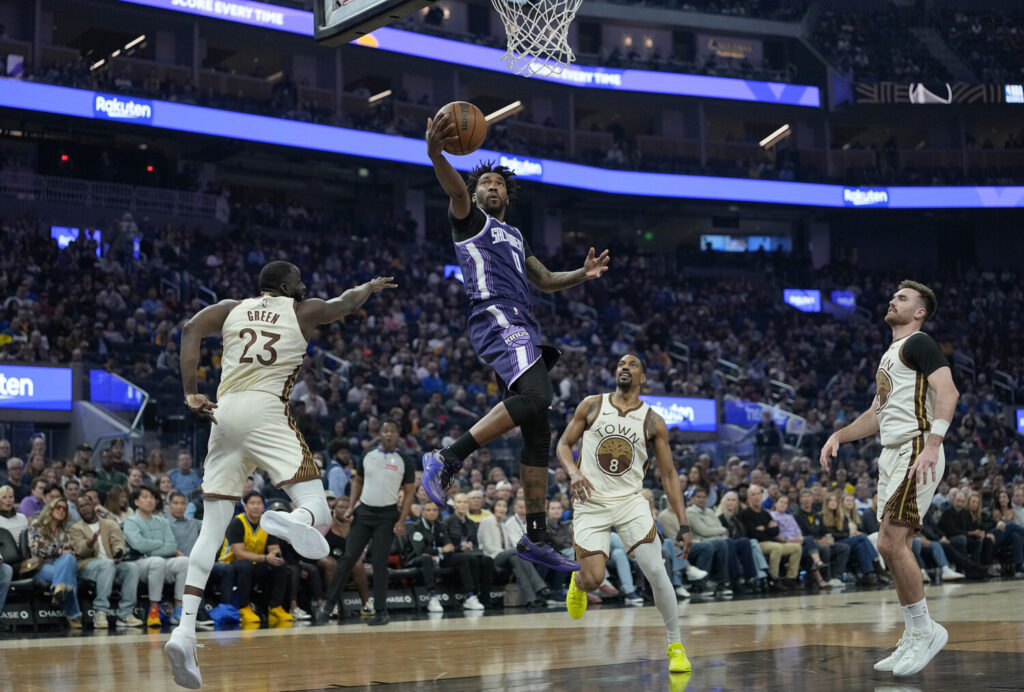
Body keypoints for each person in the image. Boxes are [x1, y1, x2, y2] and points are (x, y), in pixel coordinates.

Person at [166, 260, 396, 687]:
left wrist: (190, 393)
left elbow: (190, 329)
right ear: (288, 285)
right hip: (266, 409)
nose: (305, 284)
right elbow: (345, 304)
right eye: (300, 280)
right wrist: (368, 286)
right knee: (319, 510)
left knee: (211, 528)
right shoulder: (301, 309)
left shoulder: (233, 307)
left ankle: (183, 630)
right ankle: (292, 520)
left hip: (223, 411)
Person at [421, 118, 610, 572]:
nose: (490, 187)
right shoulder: (470, 219)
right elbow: (456, 192)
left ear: (508, 194)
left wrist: (581, 275)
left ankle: (536, 537)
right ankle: (447, 457)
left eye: (497, 183)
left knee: (539, 427)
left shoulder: (517, 235)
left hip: (523, 319)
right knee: (538, 395)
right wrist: (436, 156)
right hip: (496, 313)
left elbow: (544, 280)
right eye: (483, 181)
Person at [821, 280, 959, 677]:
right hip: (893, 452)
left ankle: (925, 631)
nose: (892, 300)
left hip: (917, 447)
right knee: (892, 547)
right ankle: (915, 631)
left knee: (889, 540)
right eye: (894, 296)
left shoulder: (920, 343)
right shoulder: (890, 354)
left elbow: (949, 392)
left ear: (919, 311)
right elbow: (876, 414)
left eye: (902, 298)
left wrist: (934, 443)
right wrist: (838, 435)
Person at [556, 354, 693, 675]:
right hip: (591, 499)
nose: (624, 367)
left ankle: (675, 645)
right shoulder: (591, 405)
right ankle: (578, 582)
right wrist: (573, 474)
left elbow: (669, 475)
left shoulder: (653, 421)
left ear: (643, 378)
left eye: (632, 365)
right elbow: (563, 445)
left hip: (631, 501)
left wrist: (683, 523)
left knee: (656, 571)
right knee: (594, 578)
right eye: (620, 364)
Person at [320, 419, 415, 626]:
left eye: (393, 431)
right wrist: (352, 506)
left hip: (387, 515)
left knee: (380, 564)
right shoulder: (367, 455)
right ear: (380, 433)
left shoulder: (404, 460)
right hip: (364, 513)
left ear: (398, 435)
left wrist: (402, 519)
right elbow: (358, 482)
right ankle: (328, 605)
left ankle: (381, 611)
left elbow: (408, 493)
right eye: (385, 431)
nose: (389, 434)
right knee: (347, 559)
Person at [68, 494, 144, 628]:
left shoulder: (109, 524)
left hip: (111, 563)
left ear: (93, 506)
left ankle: (125, 614)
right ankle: (100, 612)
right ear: (78, 511)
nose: (85, 509)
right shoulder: (75, 528)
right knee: (107, 564)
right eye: (81, 507)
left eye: (87, 505)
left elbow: (118, 542)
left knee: (131, 567)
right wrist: (90, 542)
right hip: (87, 566)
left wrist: (118, 553)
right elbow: (79, 551)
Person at [217, 491, 291, 625]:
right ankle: (244, 608)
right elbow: (239, 553)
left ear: (264, 507)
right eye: (252, 503)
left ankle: (275, 607)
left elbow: (274, 549)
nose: (256, 506)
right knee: (246, 565)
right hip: (231, 564)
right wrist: (265, 557)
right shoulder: (237, 522)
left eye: (259, 503)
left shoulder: (267, 523)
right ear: (245, 507)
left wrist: (276, 555)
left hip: (255, 562)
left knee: (280, 564)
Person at [124, 486, 189, 628]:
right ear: (136, 502)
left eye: (152, 497)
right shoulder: (131, 522)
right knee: (157, 562)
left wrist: (150, 550)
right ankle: (154, 608)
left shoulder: (162, 521)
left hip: (160, 561)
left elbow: (172, 545)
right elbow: (139, 545)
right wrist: (160, 545)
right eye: (145, 497)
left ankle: (179, 608)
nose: (150, 500)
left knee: (184, 561)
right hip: (139, 563)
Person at [477, 497, 553, 608]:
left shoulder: (503, 525)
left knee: (517, 559)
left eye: (504, 506)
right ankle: (540, 587)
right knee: (519, 550)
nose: (502, 509)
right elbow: (488, 547)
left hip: (507, 557)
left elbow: (509, 546)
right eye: (499, 505)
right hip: (491, 557)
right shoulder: (487, 521)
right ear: (493, 507)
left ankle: (531, 599)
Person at [27, 498, 82, 627]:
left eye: (64, 509)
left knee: (69, 560)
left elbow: (70, 551)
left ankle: (60, 589)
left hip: (61, 564)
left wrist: (64, 553)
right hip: (40, 566)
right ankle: (72, 614)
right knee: (69, 575)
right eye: (58, 507)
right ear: (51, 509)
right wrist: (59, 552)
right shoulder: (37, 525)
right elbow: (36, 549)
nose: (62, 510)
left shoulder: (64, 531)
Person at [741, 484, 802, 589]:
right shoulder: (746, 514)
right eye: (753, 494)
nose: (756, 497)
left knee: (796, 548)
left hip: (771, 541)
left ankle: (790, 578)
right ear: (749, 497)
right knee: (776, 547)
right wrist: (769, 529)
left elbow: (776, 531)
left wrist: (764, 529)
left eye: (758, 494)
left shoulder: (765, 513)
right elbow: (753, 533)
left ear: (761, 495)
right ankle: (774, 579)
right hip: (758, 544)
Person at [794, 489, 849, 588]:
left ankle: (837, 578)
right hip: (807, 547)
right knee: (824, 548)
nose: (806, 499)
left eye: (808, 496)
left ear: (812, 499)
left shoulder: (816, 515)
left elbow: (824, 532)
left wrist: (828, 539)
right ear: (800, 500)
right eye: (804, 497)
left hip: (822, 543)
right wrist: (821, 541)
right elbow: (802, 538)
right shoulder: (796, 516)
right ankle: (826, 579)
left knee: (844, 547)